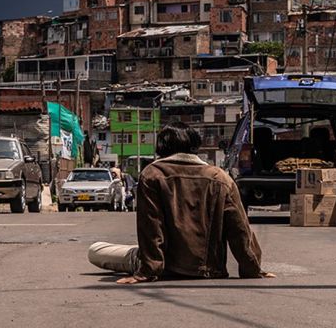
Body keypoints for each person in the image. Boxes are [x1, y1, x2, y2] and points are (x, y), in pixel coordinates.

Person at [88, 122, 274, 284]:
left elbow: (152, 226)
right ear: (195, 146)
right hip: (209, 269)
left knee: (95, 250)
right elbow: (240, 229)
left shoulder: (152, 174)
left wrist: (147, 271)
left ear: (161, 148)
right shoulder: (220, 177)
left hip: (164, 267)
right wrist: (253, 269)